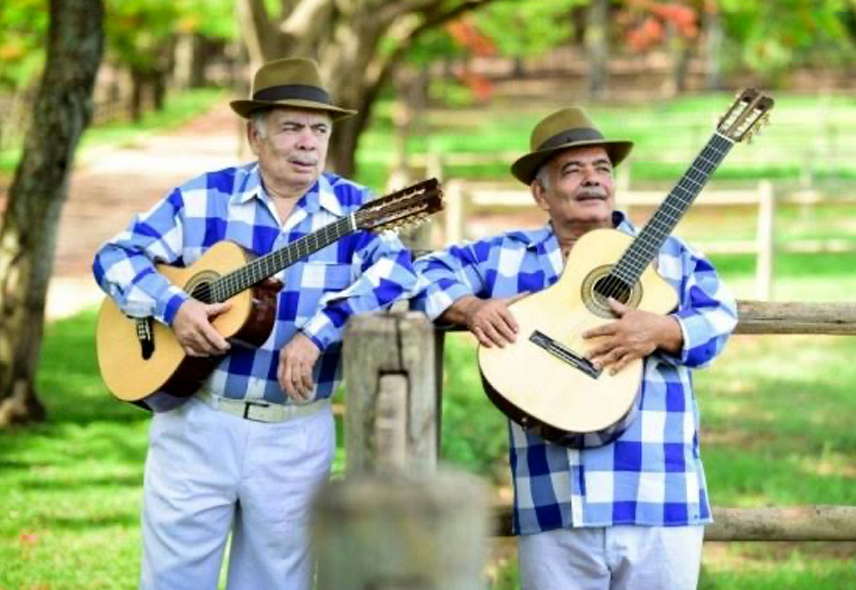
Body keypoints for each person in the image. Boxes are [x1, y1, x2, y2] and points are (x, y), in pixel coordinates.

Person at [92, 57, 418, 590]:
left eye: (319, 129)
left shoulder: (354, 208)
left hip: (294, 430)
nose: (308, 142)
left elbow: (395, 271)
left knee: (276, 581)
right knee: (175, 580)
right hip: (196, 421)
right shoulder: (203, 196)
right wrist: (174, 307)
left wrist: (317, 334)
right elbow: (114, 258)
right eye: (291, 127)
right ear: (255, 135)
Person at [412, 107, 738, 590]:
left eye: (602, 168)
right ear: (541, 192)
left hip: (658, 496)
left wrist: (662, 329)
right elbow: (413, 275)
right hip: (555, 501)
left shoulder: (673, 257)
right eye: (573, 170)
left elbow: (720, 317)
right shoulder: (506, 256)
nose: (593, 180)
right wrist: (470, 309)